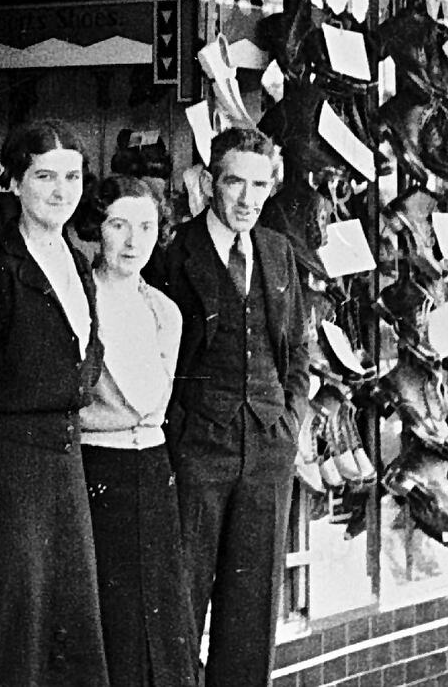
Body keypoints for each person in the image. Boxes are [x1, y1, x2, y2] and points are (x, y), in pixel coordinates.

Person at [0, 120, 110, 687]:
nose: (61, 190)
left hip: (63, 467)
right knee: (14, 635)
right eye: (44, 176)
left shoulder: (76, 264)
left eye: (72, 177)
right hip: (5, 476)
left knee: (67, 627)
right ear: (14, 182)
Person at [154, 126, 309, 687]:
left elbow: (296, 348)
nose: (247, 199)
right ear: (208, 182)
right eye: (234, 182)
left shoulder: (278, 251)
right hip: (197, 450)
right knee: (181, 603)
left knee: (253, 611)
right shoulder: (174, 253)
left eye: (259, 185)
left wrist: (291, 418)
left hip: (268, 449)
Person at [79, 176, 199, 687]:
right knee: (112, 617)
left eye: (146, 227)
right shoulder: (78, 301)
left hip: (153, 472)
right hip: (94, 471)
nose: (133, 241)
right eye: (118, 225)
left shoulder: (164, 312)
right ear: (97, 229)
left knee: (160, 615)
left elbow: (158, 401)